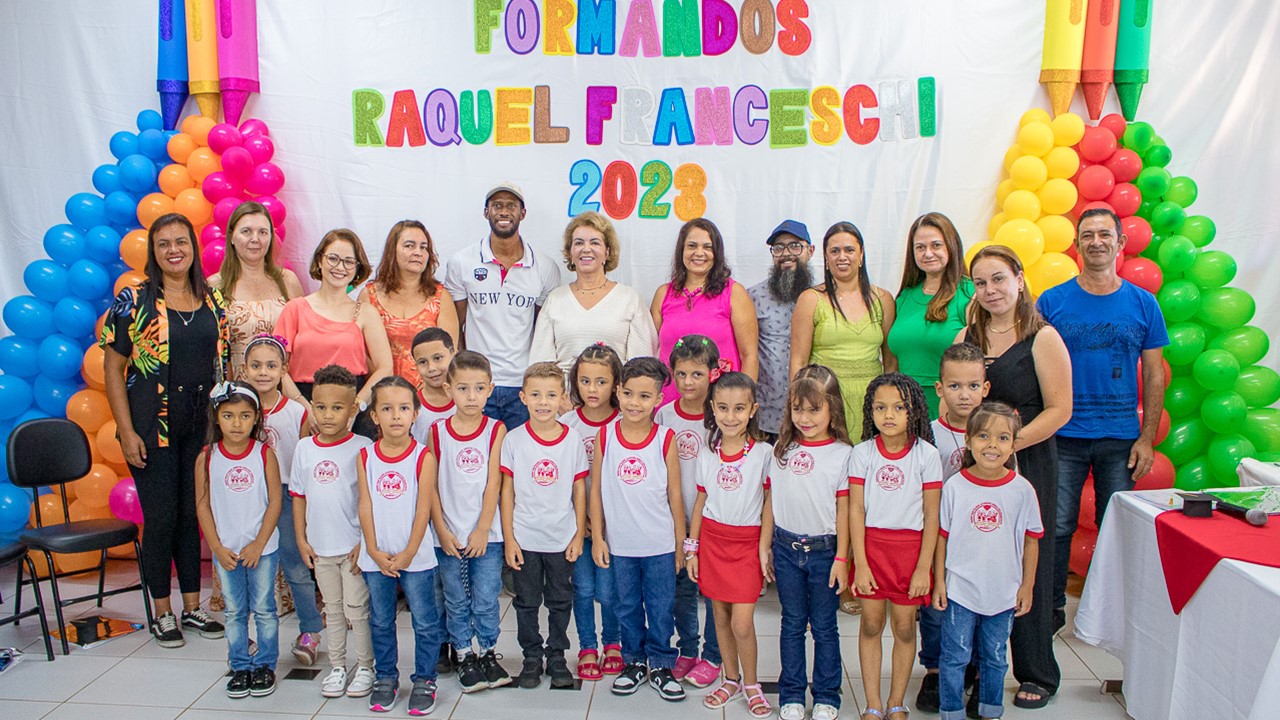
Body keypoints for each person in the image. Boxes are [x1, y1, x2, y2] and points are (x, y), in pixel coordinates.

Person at [1036, 207, 1169, 635]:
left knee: (1118, 530)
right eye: (1087, 234)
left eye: (1104, 234)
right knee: (1056, 527)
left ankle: (1113, 615)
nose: (1096, 241)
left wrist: (1146, 438)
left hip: (1121, 439)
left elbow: (1153, 373)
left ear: (1120, 243)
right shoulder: (1052, 301)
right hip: (1064, 435)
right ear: (1076, 244)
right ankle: (1051, 610)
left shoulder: (1143, 304)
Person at [101, 212, 228, 648]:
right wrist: (125, 428)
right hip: (149, 425)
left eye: (181, 241)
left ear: (193, 248)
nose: (174, 250)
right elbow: (113, 368)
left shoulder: (211, 299)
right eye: (163, 244)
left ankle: (191, 608)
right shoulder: (134, 301)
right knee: (160, 519)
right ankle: (161, 612)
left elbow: (220, 364)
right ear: (153, 253)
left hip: (200, 427)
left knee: (192, 516)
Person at [958, 244, 1073, 709]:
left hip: (1026, 461)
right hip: (977, 465)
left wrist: (1006, 447)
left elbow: (1061, 409)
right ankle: (969, 664)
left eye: (999, 279)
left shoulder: (1043, 337)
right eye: (981, 282)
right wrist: (980, 453)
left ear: (1020, 279)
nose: (990, 290)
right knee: (975, 555)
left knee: (1028, 560)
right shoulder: (971, 334)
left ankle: (1036, 669)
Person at [933, 403, 1043, 720]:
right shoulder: (954, 486)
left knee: (995, 657)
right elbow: (941, 537)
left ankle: (990, 710)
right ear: (968, 440)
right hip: (960, 590)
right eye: (983, 436)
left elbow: (1031, 540)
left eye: (1003, 438)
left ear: (1013, 444)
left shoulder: (1022, 490)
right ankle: (951, 710)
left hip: (1004, 592)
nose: (992, 445)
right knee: (954, 656)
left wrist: (1027, 586)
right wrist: (940, 581)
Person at [590, 357, 687, 701]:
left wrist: (680, 545)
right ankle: (633, 661)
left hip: (659, 545)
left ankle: (661, 663)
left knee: (661, 607)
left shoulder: (665, 438)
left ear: (659, 399)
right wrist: (598, 536)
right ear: (618, 392)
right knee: (626, 606)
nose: (635, 403)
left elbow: (675, 496)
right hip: (621, 546)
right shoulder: (605, 436)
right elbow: (596, 490)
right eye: (628, 394)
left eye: (645, 396)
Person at [849, 373, 941, 720]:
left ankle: (896, 702)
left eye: (898, 407)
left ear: (913, 410)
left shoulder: (927, 455)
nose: (888, 414)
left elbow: (932, 515)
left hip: (910, 553)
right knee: (871, 624)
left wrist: (923, 567)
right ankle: (873, 702)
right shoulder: (862, 454)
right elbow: (856, 510)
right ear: (870, 411)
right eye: (880, 407)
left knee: (904, 627)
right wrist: (861, 562)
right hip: (873, 550)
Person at [686, 373, 774, 717]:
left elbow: (769, 504)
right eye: (723, 408)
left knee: (741, 622)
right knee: (719, 616)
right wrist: (692, 547)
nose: (731, 416)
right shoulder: (708, 452)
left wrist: (763, 548)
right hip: (712, 541)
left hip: (747, 544)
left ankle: (752, 683)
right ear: (712, 408)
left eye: (739, 408)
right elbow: (700, 500)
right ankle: (731, 678)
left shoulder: (764, 453)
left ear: (753, 410)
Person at [289, 365, 376, 700]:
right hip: (321, 549)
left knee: (358, 610)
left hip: (354, 549)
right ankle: (338, 666)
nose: (327, 415)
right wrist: (301, 539)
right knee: (334, 610)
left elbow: (371, 502)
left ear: (353, 409)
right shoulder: (304, 449)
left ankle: (366, 666)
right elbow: (298, 497)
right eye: (321, 407)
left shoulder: (363, 447)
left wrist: (364, 543)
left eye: (337, 408)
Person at [444, 182, 561, 429]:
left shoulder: (545, 266)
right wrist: (466, 371)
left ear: (523, 213)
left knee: (518, 461)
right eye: (497, 205)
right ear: (487, 212)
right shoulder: (462, 262)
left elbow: (541, 328)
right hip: (478, 385)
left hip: (523, 386)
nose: (504, 212)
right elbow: (457, 325)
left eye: (511, 206)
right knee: (477, 460)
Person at [501, 362, 589, 689]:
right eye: (536, 394)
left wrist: (579, 534)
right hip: (524, 537)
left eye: (551, 395)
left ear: (563, 398)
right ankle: (531, 656)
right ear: (523, 397)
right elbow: (506, 490)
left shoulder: (573, 441)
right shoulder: (514, 440)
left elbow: (579, 489)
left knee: (560, 600)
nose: (543, 402)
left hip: (561, 538)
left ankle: (557, 654)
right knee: (526, 601)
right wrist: (510, 539)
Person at [771, 365, 852, 720]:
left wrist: (843, 558)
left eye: (813, 409)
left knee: (823, 627)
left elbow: (846, 509)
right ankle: (791, 693)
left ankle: (827, 696)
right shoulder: (781, 449)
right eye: (797, 408)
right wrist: (765, 548)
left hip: (825, 552)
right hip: (785, 549)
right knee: (791, 623)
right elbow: (769, 503)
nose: (804, 417)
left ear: (832, 408)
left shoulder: (844, 454)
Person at [357, 376, 442, 715]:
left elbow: (424, 508)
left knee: (424, 620)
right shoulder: (365, 457)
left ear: (415, 413)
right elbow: (364, 504)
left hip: (416, 557)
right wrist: (374, 550)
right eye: (387, 409)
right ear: (374, 416)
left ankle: (425, 678)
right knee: (380, 620)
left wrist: (408, 552)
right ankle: (386, 677)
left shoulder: (423, 457)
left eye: (404, 408)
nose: (396, 416)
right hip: (375, 557)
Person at [193, 381, 282, 699]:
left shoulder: (264, 454)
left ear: (256, 418)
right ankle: (240, 665)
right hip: (226, 550)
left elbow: (275, 501)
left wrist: (259, 543)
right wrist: (216, 547)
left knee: (264, 608)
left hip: (263, 550)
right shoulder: (207, 457)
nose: (236, 423)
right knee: (234, 611)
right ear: (216, 417)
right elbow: (202, 504)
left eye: (245, 416)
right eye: (228, 415)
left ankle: (265, 664)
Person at [429, 351, 511, 693]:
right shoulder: (436, 431)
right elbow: (429, 486)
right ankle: (464, 653)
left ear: (490, 389)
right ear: (449, 389)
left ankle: (488, 651)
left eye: (479, 388)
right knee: (456, 597)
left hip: (486, 535)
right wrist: (443, 530)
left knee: (486, 595)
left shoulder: (496, 429)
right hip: (447, 535)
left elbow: (495, 482)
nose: (472, 396)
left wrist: (482, 529)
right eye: (463, 388)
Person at [240, 334, 324, 666]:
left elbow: (306, 460)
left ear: (283, 369)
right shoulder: (237, 411)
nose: (263, 372)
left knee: (296, 566)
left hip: (289, 498)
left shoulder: (296, 413)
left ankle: (310, 631)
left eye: (271, 366)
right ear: (244, 370)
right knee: (252, 566)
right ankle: (252, 633)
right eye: (256, 366)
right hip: (250, 500)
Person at [916, 343, 990, 713]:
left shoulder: (995, 436)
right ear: (939, 388)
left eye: (973, 386)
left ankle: (975, 672)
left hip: (979, 541)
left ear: (985, 388)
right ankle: (934, 670)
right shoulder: (928, 435)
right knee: (935, 608)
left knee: (978, 606)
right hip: (939, 539)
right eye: (956, 386)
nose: (965, 395)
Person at [274, 229, 393, 439]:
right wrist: (304, 408)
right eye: (333, 258)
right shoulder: (294, 309)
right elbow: (277, 366)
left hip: (352, 407)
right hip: (302, 403)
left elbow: (385, 367)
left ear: (357, 269)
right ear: (320, 261)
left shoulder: (366, 312)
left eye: (349, 261)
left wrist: (355, 407)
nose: (340, 267)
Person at [655, 334, 722, 687]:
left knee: (711, 590)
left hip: (713, 521)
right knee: (682, 588)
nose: (688, 382)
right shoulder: (664, 415)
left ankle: (714, 654)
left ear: (713, 373)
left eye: (697, 374)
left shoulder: (720, 414)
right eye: (681, 374)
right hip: (676, 520)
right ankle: (688, 649)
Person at [791, 221, 898, 440]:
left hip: (872, 401)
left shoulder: (883, 300)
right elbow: (798, 362)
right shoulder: (810, 300)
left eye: (849, 250)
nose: (842, 257)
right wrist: (800, 408)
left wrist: (889, 406)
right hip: (824, 401)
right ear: (826, 259)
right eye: (835, 251)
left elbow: (890, 362)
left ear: (861, 255)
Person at [562, 343, 624, 681]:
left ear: (616, 385)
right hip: (577, 526)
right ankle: (588, 646)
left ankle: (612, 643)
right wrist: (579, 521)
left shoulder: (624, 421)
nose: (592, 390)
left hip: (614, 525)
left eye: (601, 382)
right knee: (583, 588)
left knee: (609, 590)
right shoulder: (567, 423)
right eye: (585, 381)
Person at [530, 211, 657, 374]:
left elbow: (641, 368)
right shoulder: (555, 299)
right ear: (570, 252)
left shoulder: (629, 299)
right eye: (579, 243)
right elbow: (540, 368)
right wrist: (564, 399)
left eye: (595, 243)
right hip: (563, 397)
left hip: (614, 397)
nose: (586, 249)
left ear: (607, 252)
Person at [652, 218, 760, 404]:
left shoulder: (733, 293)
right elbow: (651, 352)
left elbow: (749, 355)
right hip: (669, 404)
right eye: (692, 246)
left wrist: (742, 402)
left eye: (707, 247)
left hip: (721, 405)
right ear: (682, 251)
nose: (699, 253)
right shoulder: (663, 294)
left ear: (716, 253)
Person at [887, 212, 975, 418]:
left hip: (950, 409)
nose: (928, 253)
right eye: (920, 247)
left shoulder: (970, 293)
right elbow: (892, 362)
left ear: (951, 246)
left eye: (936, 245)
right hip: (905, 408)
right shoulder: (904, 298)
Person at [359, 220, 459, 387]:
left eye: (424, 247)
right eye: (409, 246)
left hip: (429, 396)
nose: (418, 252)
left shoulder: (440, 297)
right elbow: (362, 353)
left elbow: (449, 354)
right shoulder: (369, 295)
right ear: (393, 251)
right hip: (383, 394)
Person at [212, 200, 304, 380]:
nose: (255, 239)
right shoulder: (216, 285)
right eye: (246, 231)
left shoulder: (288, 281)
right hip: (238, 393)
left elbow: (303, 339)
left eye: (262, 232)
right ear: (231, 236)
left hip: (286, 390)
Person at [747, 219, 815, 441]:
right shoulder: (752, 297)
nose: (787, 253)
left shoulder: (822, 297)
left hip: (812, 414)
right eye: (779, 247)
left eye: (795, 246)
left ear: (810, 251)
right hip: (764, 417)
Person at [409, 328, 457, 445]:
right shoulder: (411, 405)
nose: (431, 368)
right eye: (423, 362)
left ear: (453, 355)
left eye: (437, 358)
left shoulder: (469, 400)